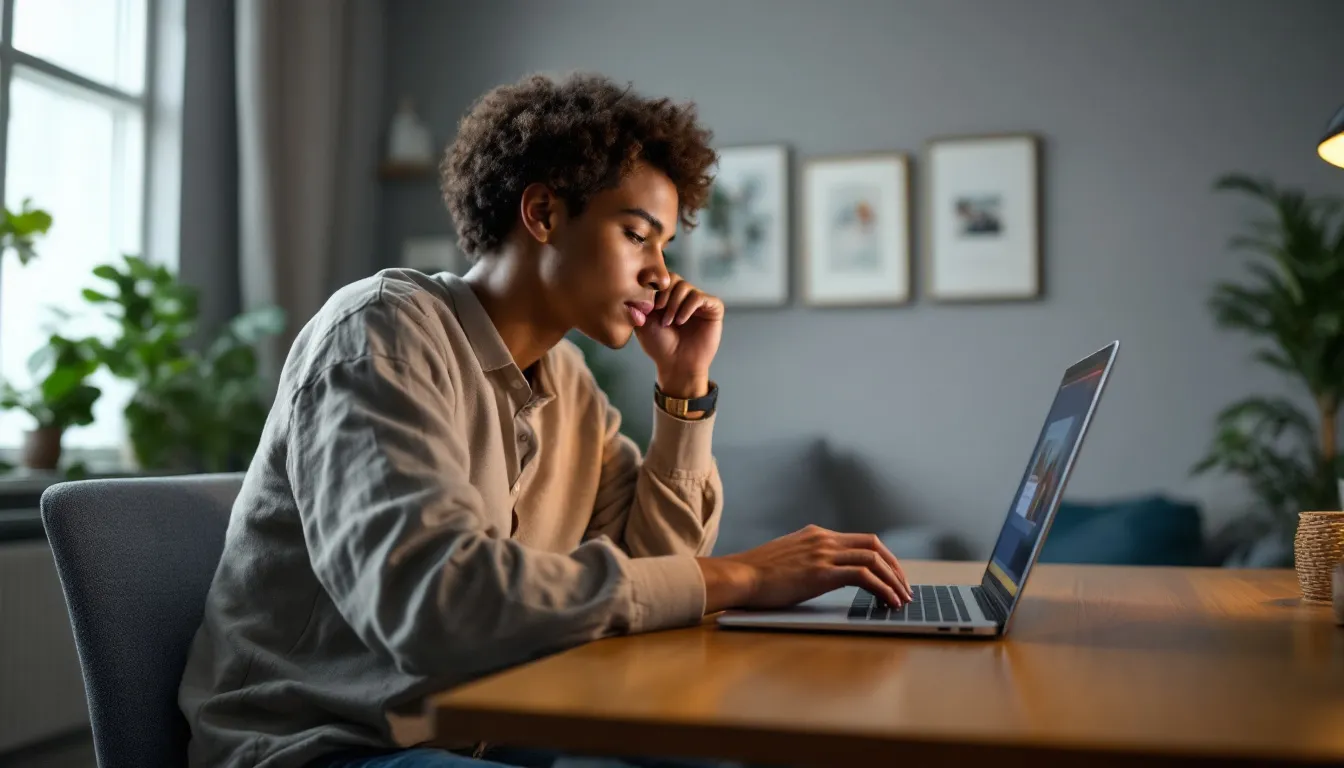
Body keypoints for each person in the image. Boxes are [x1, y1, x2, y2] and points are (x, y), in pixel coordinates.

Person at [177, 72, 913, 768]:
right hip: (329, 745)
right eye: (637, 234)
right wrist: (743, 576)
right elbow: (436, 609)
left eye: (665, 246)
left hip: (489, 726)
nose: (661, 272)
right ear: (543, 213)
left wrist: (683, 388)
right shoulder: (379, 335)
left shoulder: (566, 379)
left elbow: (653, 565)